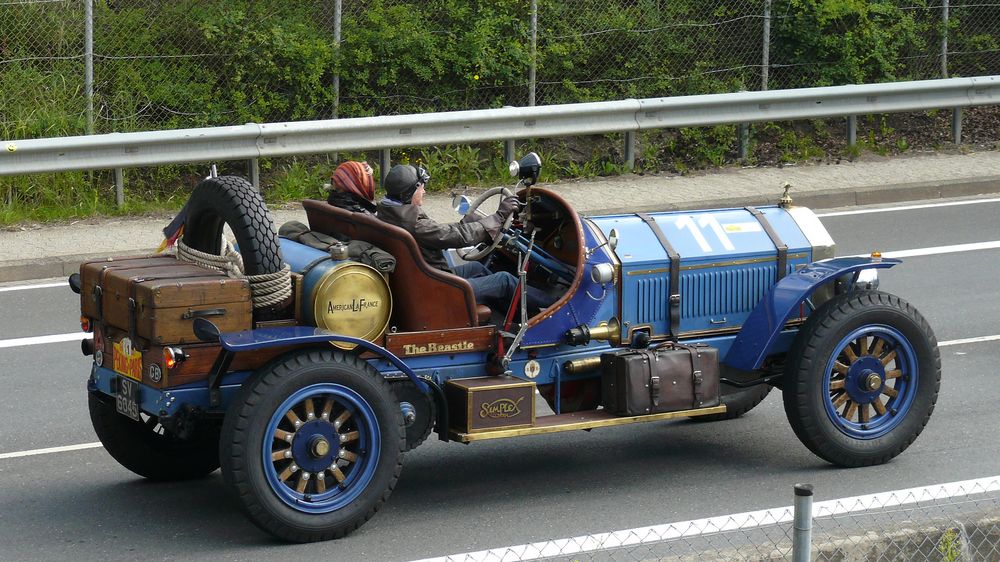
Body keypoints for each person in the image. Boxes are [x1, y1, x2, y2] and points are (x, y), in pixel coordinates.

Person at [376, 164, 555, 314]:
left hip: (424, 282)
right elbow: (458, 237)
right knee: (504, 280)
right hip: (438, 290)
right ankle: (554, 305)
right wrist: (499, 217)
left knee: (478, 267)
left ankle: (510, 318)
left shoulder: (388, 213)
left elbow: (440, 233)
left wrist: (465, 223)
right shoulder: (413, 224)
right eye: (420, 186)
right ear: (409, 192)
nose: (424, 190)